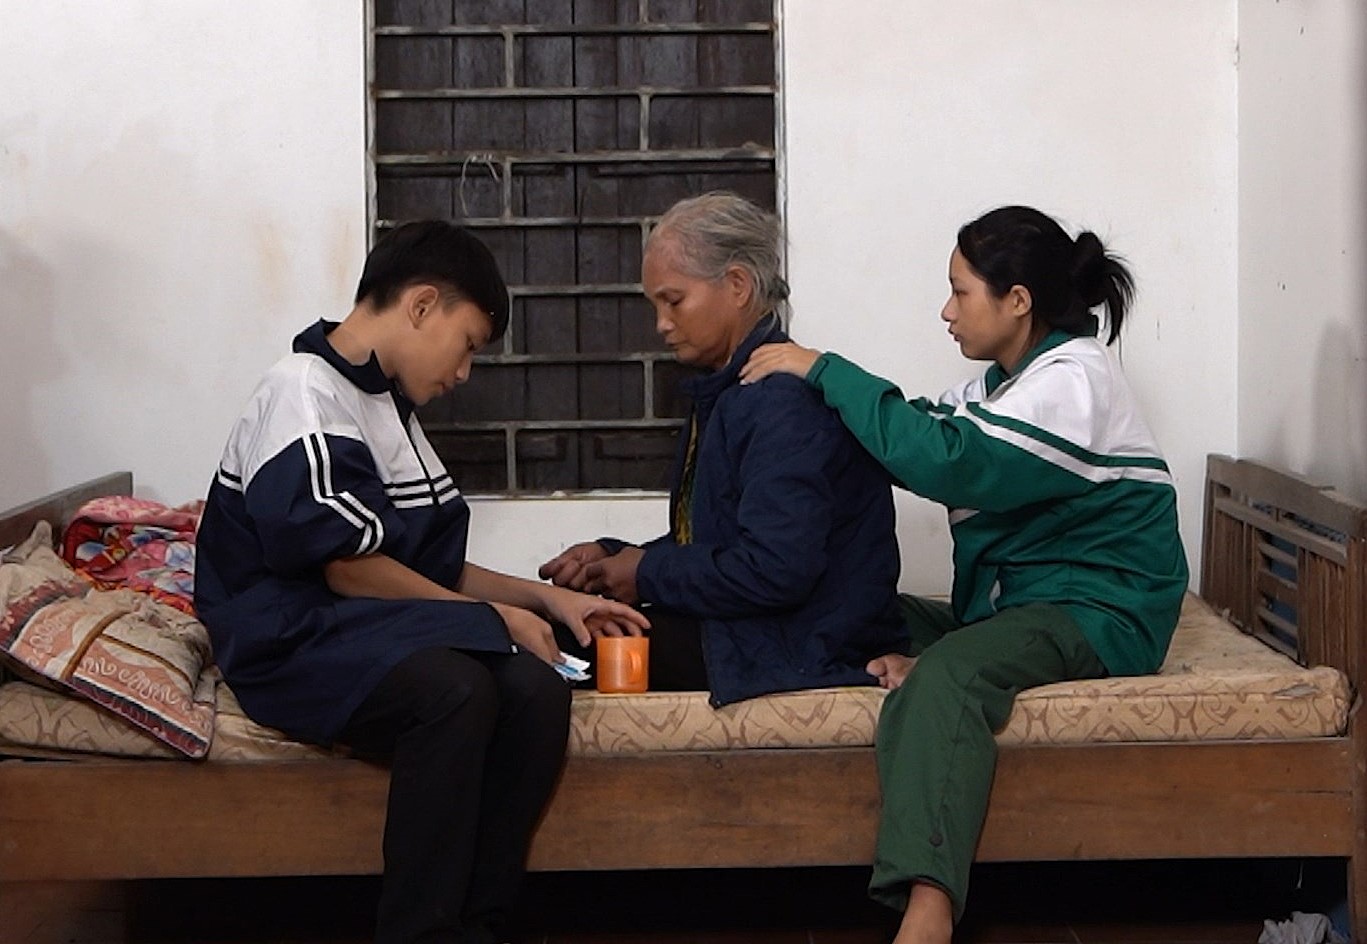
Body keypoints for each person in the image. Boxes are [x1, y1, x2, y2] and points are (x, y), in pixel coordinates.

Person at [740, 205, 1189, 944]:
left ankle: (929, 908)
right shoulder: (999, 388)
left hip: (1098, 611)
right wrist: (804, 411)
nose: (946, 312)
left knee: (947, 677)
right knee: (860, 611)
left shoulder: (1073, 382)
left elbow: (945, 459)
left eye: (960, 292)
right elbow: (918, 431)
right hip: (1017, 608)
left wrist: (823, 369)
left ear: (1018, 301)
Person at [193, 221, 648, 944]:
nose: (463, 372)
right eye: (467, 344)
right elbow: (347, 566)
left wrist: (549, 598)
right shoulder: (303, 390)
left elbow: (427, 567)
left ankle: (481, 922)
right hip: (287, 637)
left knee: (537, 690)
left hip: (359, 624)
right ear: (422, 305)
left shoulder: (386, 407)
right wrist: (490, 619)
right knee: (453, 690)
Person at [539, 191, 908, 704]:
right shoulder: (734, 389)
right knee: (553, 619)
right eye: (655, 306)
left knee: (553, 639)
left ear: (737, 285)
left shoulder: (781, 400)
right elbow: (721, 544)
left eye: (673, 301)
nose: (662, 324)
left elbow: (776, 571)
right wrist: (616, 558)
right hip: (762, 632)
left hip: (801, 644)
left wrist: (645, 574)